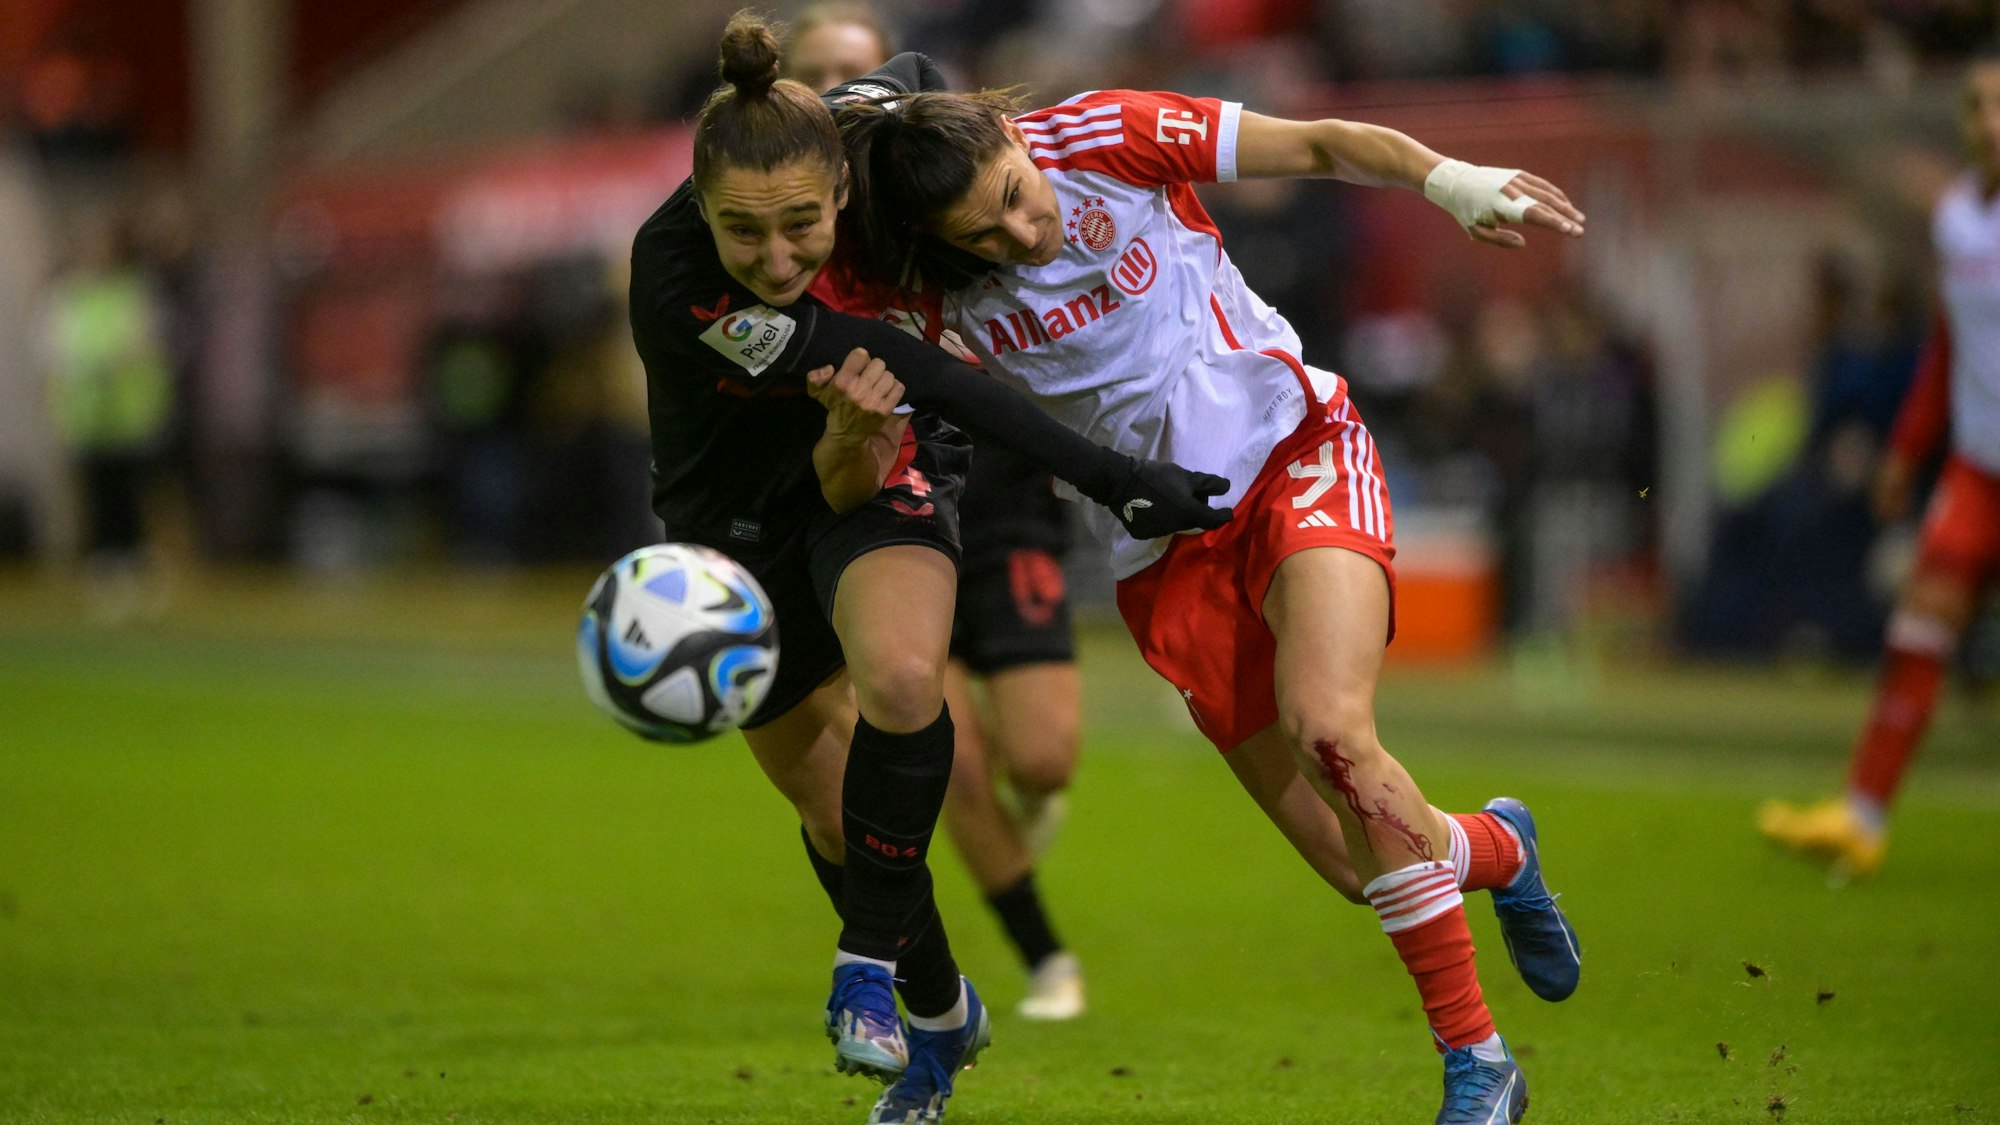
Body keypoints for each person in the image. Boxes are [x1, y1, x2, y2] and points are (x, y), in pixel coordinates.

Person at [838, 87, 1587, 1123]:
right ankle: (1498, 849)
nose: (1022, 229)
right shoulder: (926, 288)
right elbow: (770, 274)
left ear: (1013, 137)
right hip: (1163, 548)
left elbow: (1323, 142)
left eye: (1014, 194)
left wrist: (1448, 182)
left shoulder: (1108, 134)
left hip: (1291, 448)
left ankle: (1476, 1064)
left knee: (1330, 733)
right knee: (1355, 863)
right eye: (985, 231)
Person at [628, 14, 1230, 1124]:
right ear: (701, 210)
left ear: (840, 190)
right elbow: (910, 360)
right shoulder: (680, 284)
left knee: (906, 682)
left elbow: (919, 90)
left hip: (871, 471)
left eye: (800, 227)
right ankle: (940, 1009)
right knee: (826, 810)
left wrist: (902, 121)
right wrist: (1112, 474)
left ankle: (865, 972)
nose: (775, 262)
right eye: (741, 234)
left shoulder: (865, 132)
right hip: (736, 527)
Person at [783, 0, 1089, 1024]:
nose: (835, 91)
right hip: (899, 508)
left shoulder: (953, 183)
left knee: (1041, 755)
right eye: (813, 73)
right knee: (937, 740)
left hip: (1006, 499)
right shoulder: (796, 237)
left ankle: (965, 917)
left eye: (850, 73)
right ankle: (1041, 955)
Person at [1758, 55, 2000, 882]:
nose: (1990, 121)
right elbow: (1948, 346)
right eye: (1977, 106)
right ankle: (1861, 816)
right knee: (1918, 628)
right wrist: (1907, 447)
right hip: (1976, 470)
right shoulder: (1961, 218)